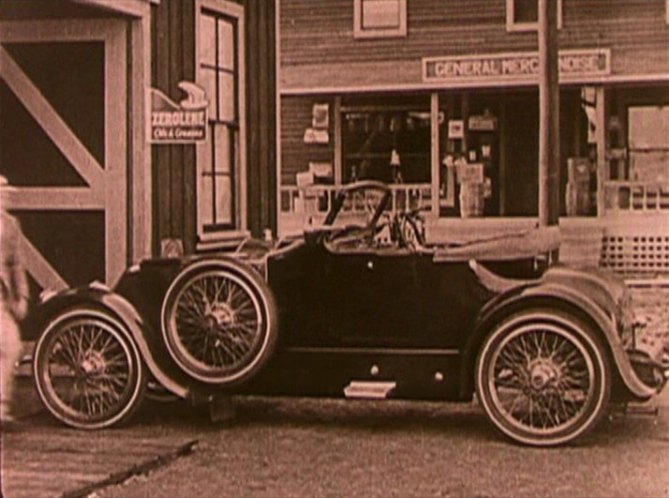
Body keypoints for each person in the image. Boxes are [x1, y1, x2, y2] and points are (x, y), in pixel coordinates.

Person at [0, 175, 28, 427]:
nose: (5, 196)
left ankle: (1, 406)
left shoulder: (10, 225)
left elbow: (17, 264)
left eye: (7, 192)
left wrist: (22, 296)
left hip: (1, 297)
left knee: (11, 346)